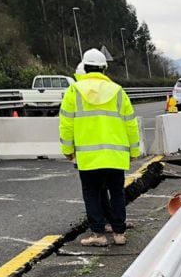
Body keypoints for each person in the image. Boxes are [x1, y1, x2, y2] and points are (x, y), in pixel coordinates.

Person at [59, 49, 140, 247]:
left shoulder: (74, 91)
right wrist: (134, 151)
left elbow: (66, 124)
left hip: (88, 157)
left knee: (92, 193)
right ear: (104, 68)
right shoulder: (118, 91)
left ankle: (98, 234)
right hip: (115, 155)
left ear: (85, 68)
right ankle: (119, 233)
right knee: (117, 192)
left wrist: (67, 150)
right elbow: (130, 123)